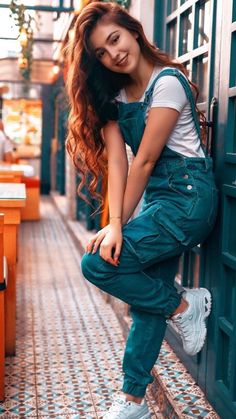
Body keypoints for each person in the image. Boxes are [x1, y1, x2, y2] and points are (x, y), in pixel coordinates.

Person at [66, 2, 218, 418]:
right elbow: (120, 162)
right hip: (158, 201)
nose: (113, 53)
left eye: (114, 39)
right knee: (144, 295)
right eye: (101, 51)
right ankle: (133, 400)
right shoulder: (114, 97)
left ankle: (185, 307)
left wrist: (119, 224)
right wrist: (116, 222)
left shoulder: (167, 83)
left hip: (188, 199)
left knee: (97, 264)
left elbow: (147, 159)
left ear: (132, 30)